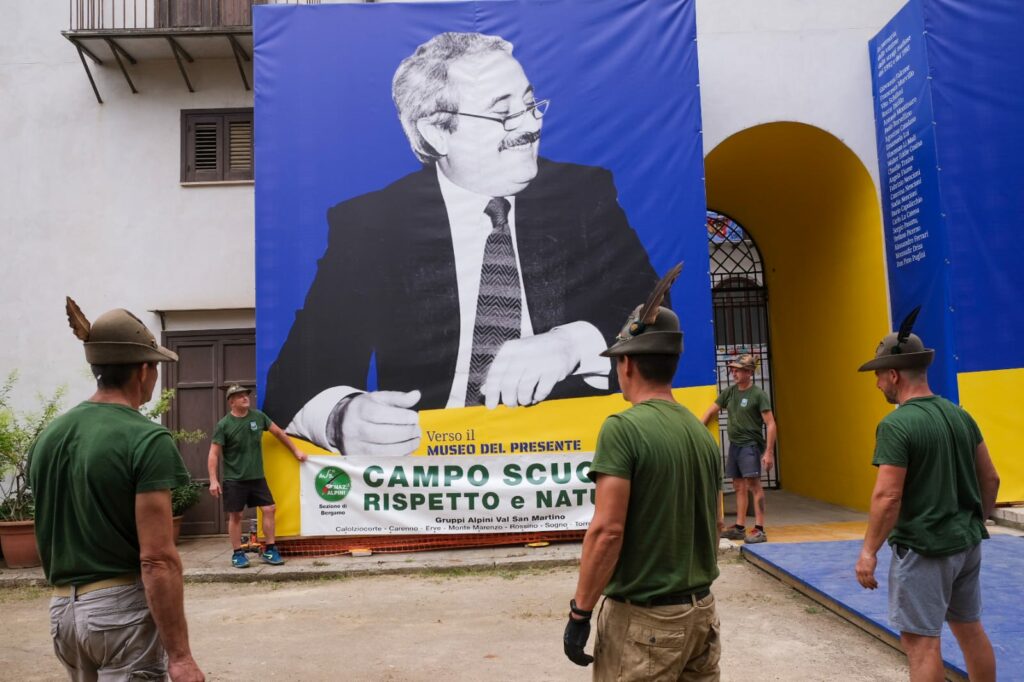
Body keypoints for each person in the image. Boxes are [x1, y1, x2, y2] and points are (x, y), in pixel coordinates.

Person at [263, 31, 659, 456]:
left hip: (564, 455)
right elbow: (297, 374)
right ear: (438, 133)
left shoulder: (582, 194)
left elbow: (652, 310)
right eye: (504, 114)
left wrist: (573, 342)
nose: (531, 124)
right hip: (435, 475)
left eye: (530, 104)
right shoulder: (372, 224)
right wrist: (341, 416)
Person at [28, 298, 204, 681]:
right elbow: (157, 558)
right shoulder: (145, 437)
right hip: (118, 613)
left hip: (63, 612)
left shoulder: (49, 436)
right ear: (144, 371)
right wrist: (181, 657)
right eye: (156, 367)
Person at [564, 269, 724, 680]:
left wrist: (580, 611)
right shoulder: (699, 431)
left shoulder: (623, 428)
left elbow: (607, 532)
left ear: (628, 363)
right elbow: (718, 521)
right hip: (701, 615)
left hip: (646, 625)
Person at [854, 316, 1000, 682]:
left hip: (924, 548)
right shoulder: (959, 415)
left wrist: (869, 551)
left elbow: (888, 496)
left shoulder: (897, 424)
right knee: (970, 630)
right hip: (965, 543)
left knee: (922, 645)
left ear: (895, 375)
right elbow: (992, 478)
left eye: (879, 374)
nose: (877, 383)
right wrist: (974, 521)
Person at [208, 384, 308, 568]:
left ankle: (270, 549)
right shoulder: (224, 425)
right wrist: (213, 480)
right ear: (231, 402)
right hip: (234, 478)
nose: (245, 398)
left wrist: (296, 450)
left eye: (246, 395)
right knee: (236, 516)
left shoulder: (258, 417)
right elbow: (214, 454)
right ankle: (238, 553)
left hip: (256, 477)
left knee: (269, 509)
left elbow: (279, 433)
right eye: (239, 396)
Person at [701, 353, 776, 544]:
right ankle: (740, 527)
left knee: (753, 485)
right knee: (738, 485)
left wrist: (768, 452)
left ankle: (759, 529)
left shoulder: (758, 395)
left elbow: (771, 423)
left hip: (750, 446)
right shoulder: (730, 392)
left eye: (739, 370)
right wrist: (698, 429)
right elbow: (711, 410)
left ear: (749, 372)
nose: (734, 373)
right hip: (735, 446)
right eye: (733, 369)